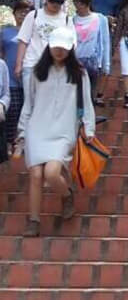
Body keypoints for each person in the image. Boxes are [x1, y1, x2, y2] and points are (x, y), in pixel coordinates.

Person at [15, 25, 96, 238]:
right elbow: (29, 104)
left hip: (63, 129)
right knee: (35, 174)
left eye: (64, 47)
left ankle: (67, 194)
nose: (59, 51)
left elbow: (87, 103)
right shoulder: (36, 71)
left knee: (51, 172)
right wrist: (22, 131)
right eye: (56, 47)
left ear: (71, 49)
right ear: (49, 46)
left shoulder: (79, 73)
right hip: (37, 128)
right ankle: (33, 221)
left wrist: (89, 127)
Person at [15, 0, 73, 81]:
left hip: (55, 67)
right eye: (52, 0)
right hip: (32, 64)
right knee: (30, 96)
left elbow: (72, 45)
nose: (55, 4)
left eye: (59, 2)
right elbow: (23, 41)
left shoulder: (67, 20)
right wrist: (18, 65)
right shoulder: (33, 15)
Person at [72, 0, 111, 103]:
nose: (77, 4)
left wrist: (106, 65)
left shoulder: (100, 19)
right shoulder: (72, 20)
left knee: (89, 96)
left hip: (92, 61)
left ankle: (88, 119)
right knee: (76, 96)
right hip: (75, 61)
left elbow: (105, 41)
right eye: (75, 1)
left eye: (79, 1)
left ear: (87, 1)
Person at [2, 0, 30, 152]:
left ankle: (21, 143)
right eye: (20, 11)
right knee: (11, 111)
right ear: (14, 13)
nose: (23, 15)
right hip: (10, 79)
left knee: (25, 112)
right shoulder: (5, 32)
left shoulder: (33, 32)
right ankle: (8, 143)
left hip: (28, 78)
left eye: (26, 12)